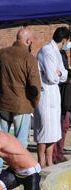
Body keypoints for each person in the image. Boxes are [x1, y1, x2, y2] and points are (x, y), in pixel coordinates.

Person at [0, 28, 41, 172]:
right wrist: (34, 103)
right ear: (28, 41)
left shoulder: (1, 53)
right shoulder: (29, 58)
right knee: (20, 141)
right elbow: (35, 85)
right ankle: (18, 168)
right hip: (22, 104)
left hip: (2, 102)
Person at [34, 27, 69, 167]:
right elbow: (51, 77)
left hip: (54, 95)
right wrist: (60, 74)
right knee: (44, 131)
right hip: (46, 96)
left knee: (53, 132)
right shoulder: (47, 51)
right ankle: (41, 161)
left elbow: (64, 74)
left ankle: (49, 160)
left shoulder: (57, 53)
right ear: (65, 40)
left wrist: (60, 73)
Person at [53, 43, 71, 164]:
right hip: (61, 95)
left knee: (64, 126)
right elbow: (59, 74)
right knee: (59, 126)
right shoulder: (56, 54)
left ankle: (59, 153)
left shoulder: (63, 54)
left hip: (65, 96)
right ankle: (55, 154)